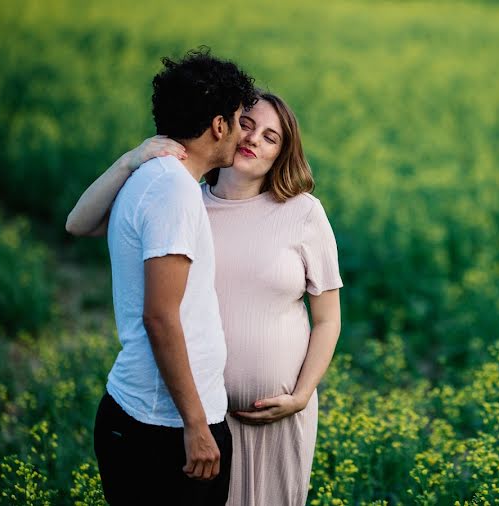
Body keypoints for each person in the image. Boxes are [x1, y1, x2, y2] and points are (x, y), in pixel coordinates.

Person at [67, 89, 343, 506]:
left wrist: (301, 396)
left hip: (279, 415)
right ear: (224, 128)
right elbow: (79, 222)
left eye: (271, 137)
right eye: (247, 125)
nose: (253, 139)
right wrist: (131, 158)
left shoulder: (303, 213)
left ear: (282, 154)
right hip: (200, 418)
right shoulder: (180, 201)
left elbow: (327, 319)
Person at [71, 48, 258, 505]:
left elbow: (78, 224)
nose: (242, 133)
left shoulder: (157, 176)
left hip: (153, 415)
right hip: (165, 426)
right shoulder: (172, 190)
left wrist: (127, 160)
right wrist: (196, 426)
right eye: (239, 120)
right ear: (218, 125)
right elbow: (160, 316)